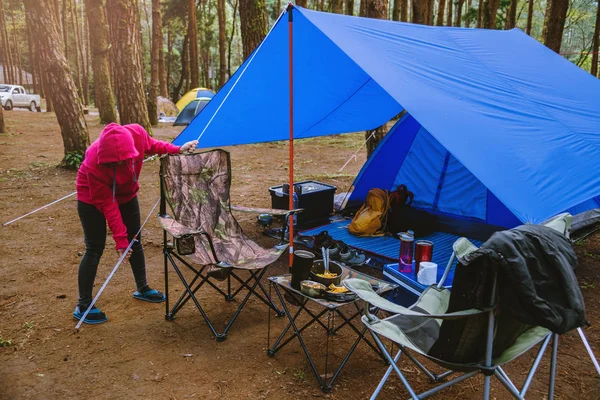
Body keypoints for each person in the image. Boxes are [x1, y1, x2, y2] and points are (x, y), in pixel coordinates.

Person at [73, 122, 198, 324]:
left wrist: (177, 149)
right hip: (91, 198)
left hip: (128, 194)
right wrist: (120, 240)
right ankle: (84, 304)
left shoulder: (137, 134)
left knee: (135, 240)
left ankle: (142, 288)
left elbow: (153, 145)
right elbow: (108, 203)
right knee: (94, 248)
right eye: (114, 164)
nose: (120, 166)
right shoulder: (93, 161)